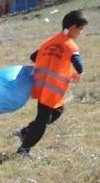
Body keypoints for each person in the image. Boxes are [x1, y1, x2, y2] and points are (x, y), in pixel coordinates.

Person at [17, 10, 87, 157]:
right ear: (74, 27)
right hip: (52, 89)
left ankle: (27, 131)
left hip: (41, 86)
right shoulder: (70, 46)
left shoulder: (48, 42)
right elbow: (79, 66)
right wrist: (80, 73)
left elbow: (33, 56)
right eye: (80, 29)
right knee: (42, 121)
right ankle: (24, 149)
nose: (80, 32)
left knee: (58, 111)